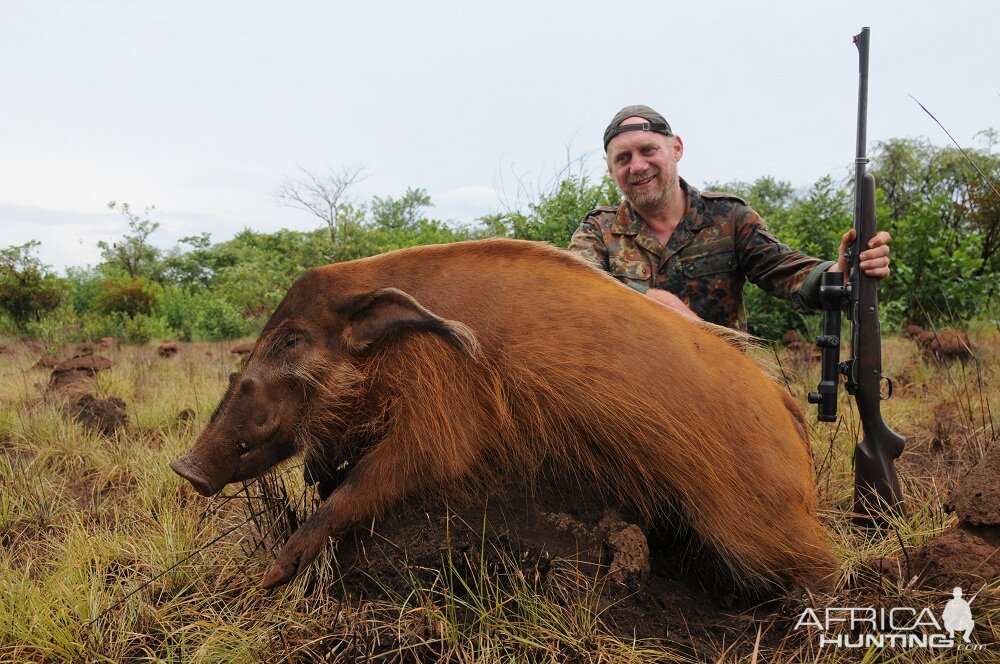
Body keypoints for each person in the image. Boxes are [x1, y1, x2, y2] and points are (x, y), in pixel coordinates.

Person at [569, 105, 892, 331]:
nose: (637, 166)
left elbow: (785, 271)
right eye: (622, 159)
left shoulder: (729, 217)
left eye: (648, 150)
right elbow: (574, 289)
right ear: (611, 169)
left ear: (676, 148)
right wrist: (648, 298)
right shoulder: (598, 230)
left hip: (723, 390)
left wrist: (839, 274)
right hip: (635, 397)